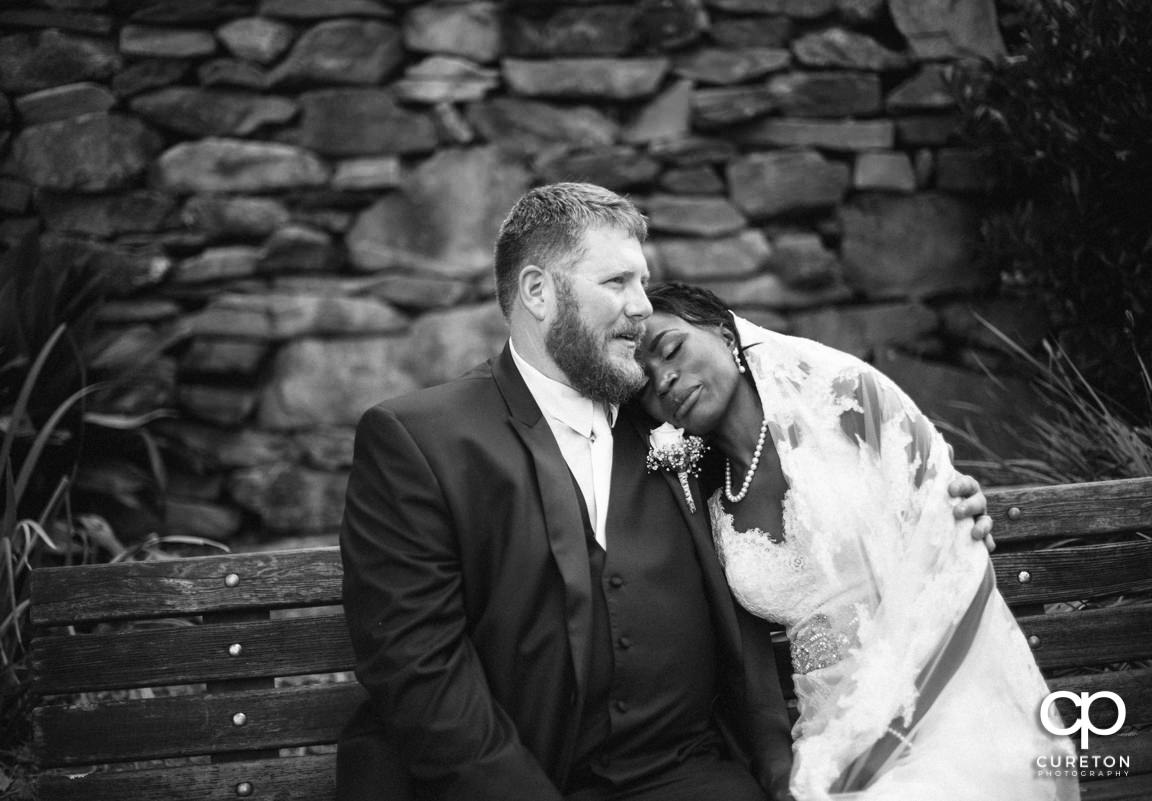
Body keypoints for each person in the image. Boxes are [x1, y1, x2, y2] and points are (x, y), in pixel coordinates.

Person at [337, 183, 992, 801]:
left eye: (643, 282)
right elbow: (418, 668)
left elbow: (803, 484)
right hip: (523, 779)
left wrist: (932, 497)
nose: (642, 306)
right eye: (617, 281)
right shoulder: (419, 439)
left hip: (686, 775)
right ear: (538, 291)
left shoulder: (676, 421)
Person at [637, 282, 1078, 801]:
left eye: (671, 349)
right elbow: (750, 667)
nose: (664, 379)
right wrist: (783, 778)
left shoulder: (846, 402)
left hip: (943, 702)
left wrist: (956, 513)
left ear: (724, 331)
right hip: (827, 744)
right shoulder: (704, 496)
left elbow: (950, 555)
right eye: (644, 382)